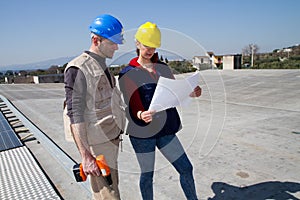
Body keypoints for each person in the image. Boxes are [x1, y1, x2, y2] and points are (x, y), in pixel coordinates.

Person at [118, 22, 202, 200]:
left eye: (154, 47)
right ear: (137, 44)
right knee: (148, 176)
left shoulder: (162, 67)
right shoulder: (128, 72)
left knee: (186, 168)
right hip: (143, 133)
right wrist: (141, 114)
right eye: (147, 46)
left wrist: (191, 92)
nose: (150, 50)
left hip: (166, 129)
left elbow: (175, 92)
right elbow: (131, 103)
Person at [64, 14, 125, 200]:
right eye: (112, 43)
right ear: (96, 40)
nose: (116, 47)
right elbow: (75, 114)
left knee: (110, 190)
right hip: (97, 147)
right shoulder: (79, 69)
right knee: (109, 195)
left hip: (110, 139)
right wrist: (86, 156)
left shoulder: (102, 65)